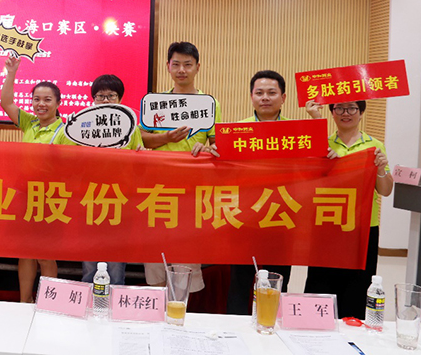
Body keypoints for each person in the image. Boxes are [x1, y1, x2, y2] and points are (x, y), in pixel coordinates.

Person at [140, 42, 219, 295]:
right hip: (157, 191)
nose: (182, 70)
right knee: (155, 261)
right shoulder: (155, 102)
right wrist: (166, 138)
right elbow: (142, 139)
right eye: (176, 64)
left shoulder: (209, 104)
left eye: (187, 64)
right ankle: (157, 313)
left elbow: (217, 145)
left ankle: (179, 315)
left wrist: (207, 148)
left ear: (197, 67)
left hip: (190, 193)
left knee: (185, 263)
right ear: (168, 67)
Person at [304, 100, 393, 318]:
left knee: (357, 286)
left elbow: (385, 190)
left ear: (361, 112)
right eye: (340, 108)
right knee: (321, 284)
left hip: (362, 228)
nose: (346, 113)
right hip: (327, 225)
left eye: (352, 108)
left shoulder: (374, 146)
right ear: (332, 113)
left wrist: (381, 168)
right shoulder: (323, 144)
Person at [226, 69, 292, 314]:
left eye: (272, 93)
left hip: (282, 215)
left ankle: (273, 321)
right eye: (259, 92)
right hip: (245, 216)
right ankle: (236, 326)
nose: (265, 98)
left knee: (278, 277)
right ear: (251, 97)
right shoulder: (236, 131)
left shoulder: (298, 132)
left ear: (283, 98)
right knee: (240, 279)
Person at [68, 74, 143, 286]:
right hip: (89, 199)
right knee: (90, 262)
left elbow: (139, 165)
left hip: (120, 200)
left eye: (111, 96)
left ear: (120, 99)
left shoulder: (131, 128)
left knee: (116, 262)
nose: (106, 100)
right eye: (100, 96)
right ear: (93, 99)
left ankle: (114, 298)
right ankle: (90, 300)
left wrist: (142, 155)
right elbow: (67, 158)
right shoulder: (80, 127)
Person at [0, 54, 64, 302]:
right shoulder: (30, 124)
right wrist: (11, 73)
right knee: (25, 253)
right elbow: (6, 103)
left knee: (45, 256)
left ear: (58, 103)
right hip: (25, 198)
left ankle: (50, 303)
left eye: (47, 100)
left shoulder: (65, 131)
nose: (41, 104)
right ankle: (24, 302)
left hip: (51, 200)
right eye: (36, 99)